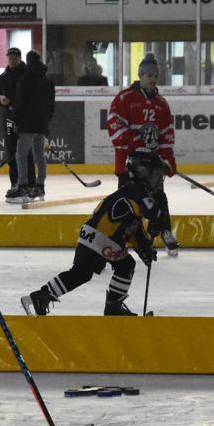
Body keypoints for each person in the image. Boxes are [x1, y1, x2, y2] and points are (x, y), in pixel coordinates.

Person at [20, 149, 165, 317]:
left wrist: (143, 247)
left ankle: (42, 296)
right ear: (142, 171)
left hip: (93, 235)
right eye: (155, 173)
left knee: (84, 273)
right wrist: (158, 221)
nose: (158, 178)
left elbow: (132, 227)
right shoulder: (136, 191)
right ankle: (112, 306)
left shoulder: (131, 191)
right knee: (115, 267)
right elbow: (151, 211)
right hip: (101, 238)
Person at [106, 53, 180, 256]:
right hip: (128, 164)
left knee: (159, 198)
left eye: (155, 75)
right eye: (148, 75)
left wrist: (168, 160)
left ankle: (164, 231)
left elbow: (166, 135)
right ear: (140, 75)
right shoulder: (125, 98)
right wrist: (134, 143)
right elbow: (113, 123)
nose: (152, 79)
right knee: (127, 203)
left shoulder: (162, 104)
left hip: (152, 165)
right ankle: (117, 240)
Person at [11, 50, 56, 202]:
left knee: (21, 154)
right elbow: (51, 105)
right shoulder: (48, 81)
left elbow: (20, 103)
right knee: (39, 155)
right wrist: (46, 123)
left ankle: (23, 184)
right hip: (42, 124)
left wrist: (15, 121)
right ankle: (40, 185)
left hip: (27, 125)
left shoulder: (25, 80)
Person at [0, 47, 35, 202]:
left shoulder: (27, 76)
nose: (12, 60)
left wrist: (14, 102)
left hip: (25, 118)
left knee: (25, 151)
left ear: (19, 58)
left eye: (14, 57)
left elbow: (30, 97)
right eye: (10, 57)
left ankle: (29, 183)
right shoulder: (3, 77)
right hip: (9, 116)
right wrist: (1, 100)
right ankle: (15, 183)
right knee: (12, 150)